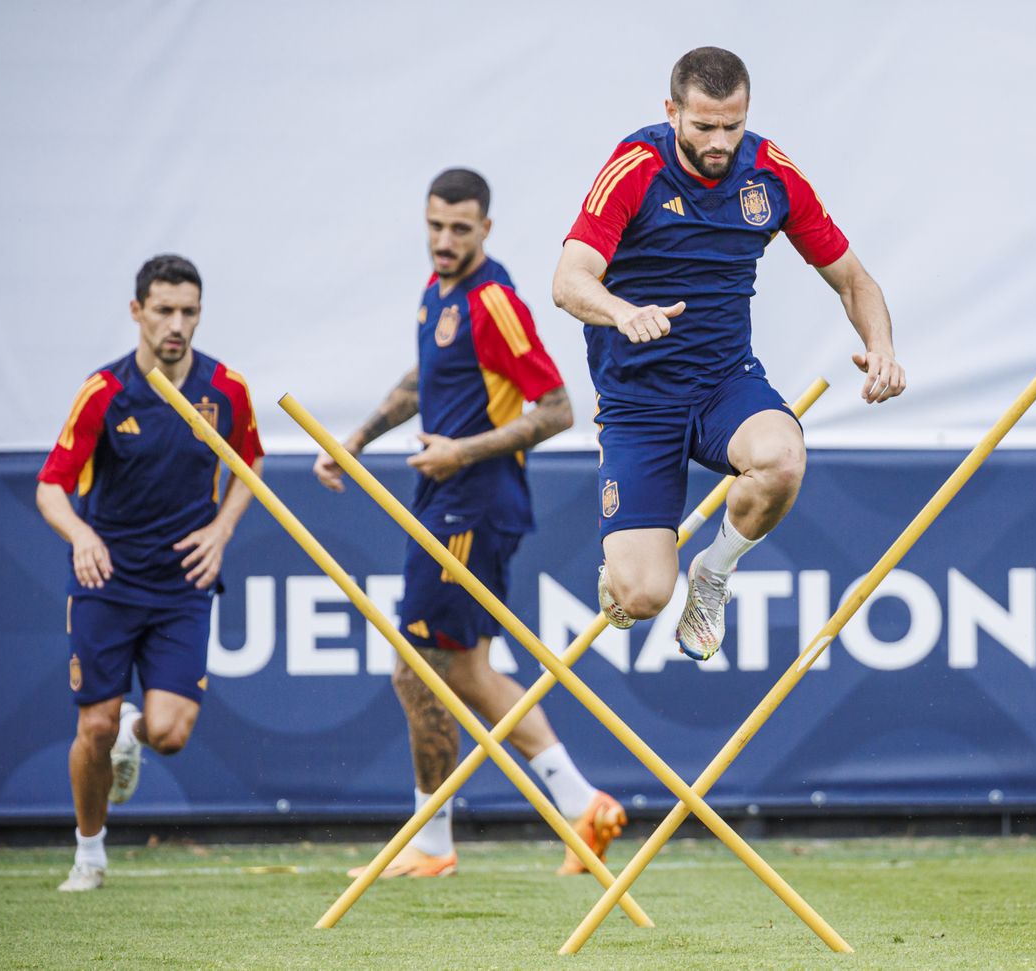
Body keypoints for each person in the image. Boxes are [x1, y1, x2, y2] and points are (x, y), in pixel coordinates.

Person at [314, 168, 623, 878]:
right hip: (449, 500)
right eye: (435, 226)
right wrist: (357, 439)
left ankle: (431, 842)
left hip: (472, 504)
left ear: (486, 228)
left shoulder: (494, 301)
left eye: (460, 228)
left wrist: (461, 451)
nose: (444, 240)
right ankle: (584, 803)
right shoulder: (437, 291)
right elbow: (424, 379)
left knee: (415, 669)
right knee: (472, 671)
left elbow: (555, 408)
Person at [551, 46, 905, 662]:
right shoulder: (634, 166)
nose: (720, 142)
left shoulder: (770, 172)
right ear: (672, 111)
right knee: (640, 598)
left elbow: (854, 280)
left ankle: (713, 576)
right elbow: (568, 281)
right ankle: (632, 575)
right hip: (638, 402)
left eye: (732, 126)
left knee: (782, 458)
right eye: (704, 126)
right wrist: (622, 311)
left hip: (724, 382)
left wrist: (881, 347)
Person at [36, 254, 265, 891]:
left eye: (189, 311)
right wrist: (80, 535)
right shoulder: (104, 392)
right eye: (163, 310)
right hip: (107, 580)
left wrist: (220, 532)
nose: (177, 325)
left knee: (168, 733)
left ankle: (134, 736)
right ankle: (89, 853)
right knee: (95, 724)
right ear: (137, 312)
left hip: (182, 584)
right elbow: (51, 486)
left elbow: (250, 466)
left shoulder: (226, 389)